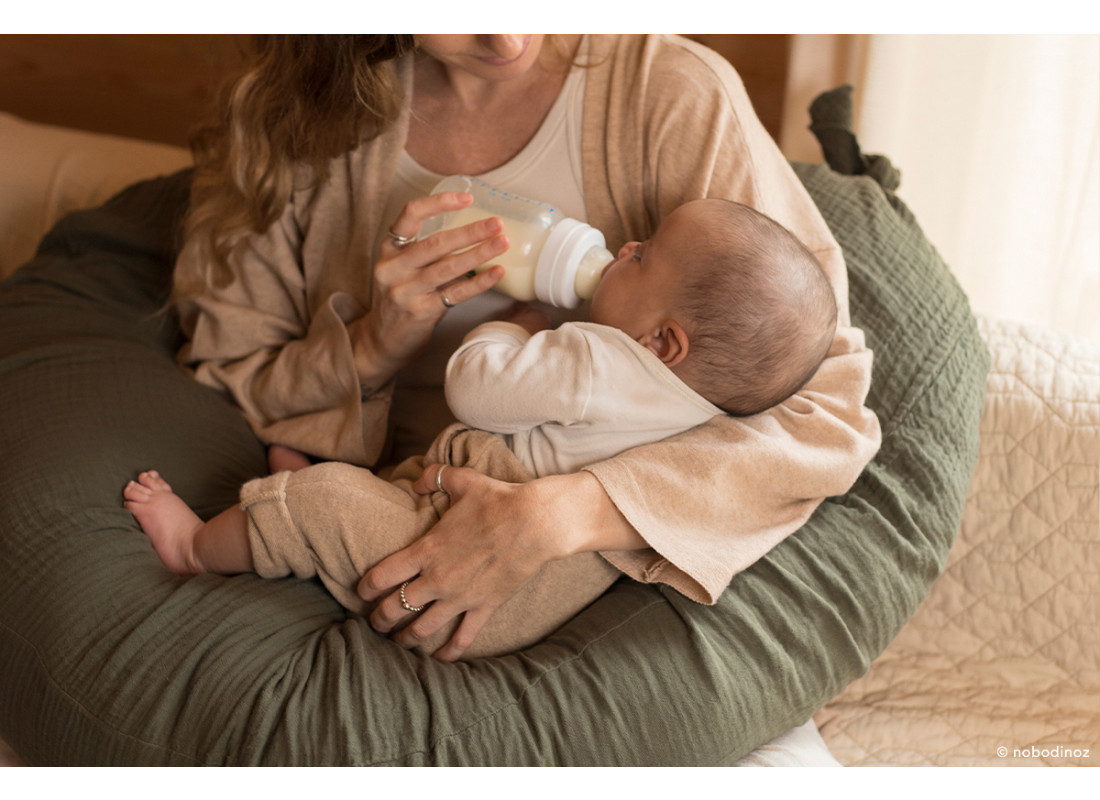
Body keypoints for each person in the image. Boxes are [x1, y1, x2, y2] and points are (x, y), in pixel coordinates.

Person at [168, 34, 880, 666]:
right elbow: (233, 370)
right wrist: (371, 348)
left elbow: (823, 406)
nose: (506, 38)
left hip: (578, 569)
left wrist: (564, 514)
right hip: (402, 497)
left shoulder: (668, 95)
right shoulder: (297, 116)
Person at [124, 198, 839, 659]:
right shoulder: (702, 402)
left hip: (470, 567)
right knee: (390, 491)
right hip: (537, 596)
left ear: (661, 342)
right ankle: (305, 496)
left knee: (329, 504)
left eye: (642, 255)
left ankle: (196, 545)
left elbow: (477, 392)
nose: (623, 248)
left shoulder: (595, 355)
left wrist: (517, 325)